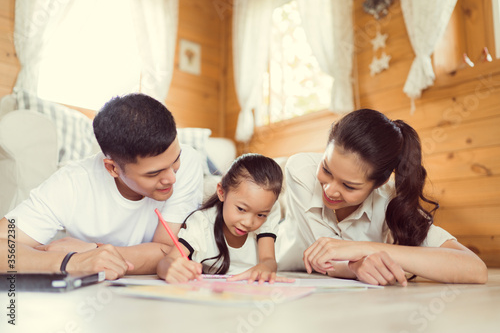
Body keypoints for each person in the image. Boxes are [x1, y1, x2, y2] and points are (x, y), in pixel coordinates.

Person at [0, 93, 204, 280]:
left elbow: (169, 250)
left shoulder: (188, 162)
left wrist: (91, 250)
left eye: (175, 161)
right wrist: (70, 262)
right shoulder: (71, 184)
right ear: (113, 168)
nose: (171, 178)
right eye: (154, 173)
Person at [277, 108, 488, 285]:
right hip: (281, 265)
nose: (330, 190)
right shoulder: (300, 170)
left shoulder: (390, 199)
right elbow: (326, 259)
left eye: (349, 186)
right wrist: (357, 265)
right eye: (326, 169)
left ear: (379, 183)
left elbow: (476, 269)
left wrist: (364, 248)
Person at [157, 153, 292, 284]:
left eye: (261, 215)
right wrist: (170, 268)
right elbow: (166, 261)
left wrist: (266, 267)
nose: (248, 222)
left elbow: (268, 260)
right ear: (221, 192)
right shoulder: (202, 223)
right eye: (241, 209)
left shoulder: (268, 212)